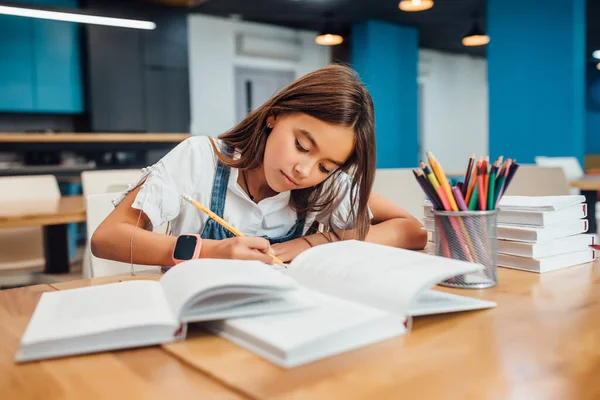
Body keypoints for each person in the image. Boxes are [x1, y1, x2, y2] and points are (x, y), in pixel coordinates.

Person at [91, 65, 427, 267]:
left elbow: (412, 230)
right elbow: (108, 238)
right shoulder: (200, 159)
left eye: (326, 166)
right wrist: (212, 251)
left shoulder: (324, 185)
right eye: (302, 146)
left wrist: (312, 243)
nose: (304, 171)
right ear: (274, 116)